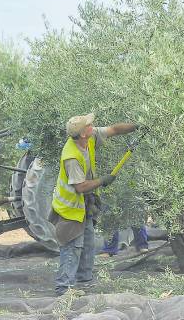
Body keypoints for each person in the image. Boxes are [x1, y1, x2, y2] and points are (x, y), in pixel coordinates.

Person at [50, 113, 138, 296]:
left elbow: (114, 129)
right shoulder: (71, 156)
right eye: (90, 124)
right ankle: (63, 288)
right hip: (70, 210)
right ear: (83, 133)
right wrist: (103, 181)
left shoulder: (89, 137)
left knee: (88, 244)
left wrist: (138, 126)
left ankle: (84, 282)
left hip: (84, 206)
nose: (94, 125)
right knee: (72, 247)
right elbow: (81, 187)